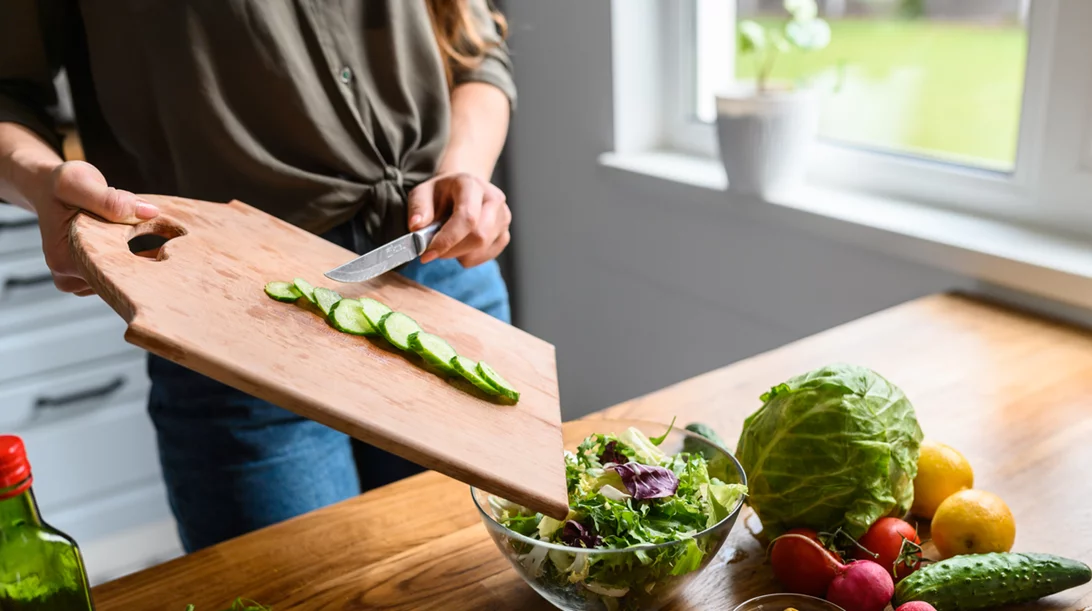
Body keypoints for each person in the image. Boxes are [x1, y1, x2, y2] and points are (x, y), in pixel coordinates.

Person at [0, 0, 516, 552]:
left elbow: (473, 49)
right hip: (230, 314)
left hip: (436, 273)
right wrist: (40, 179)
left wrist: (465, 170)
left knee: (481, 574)